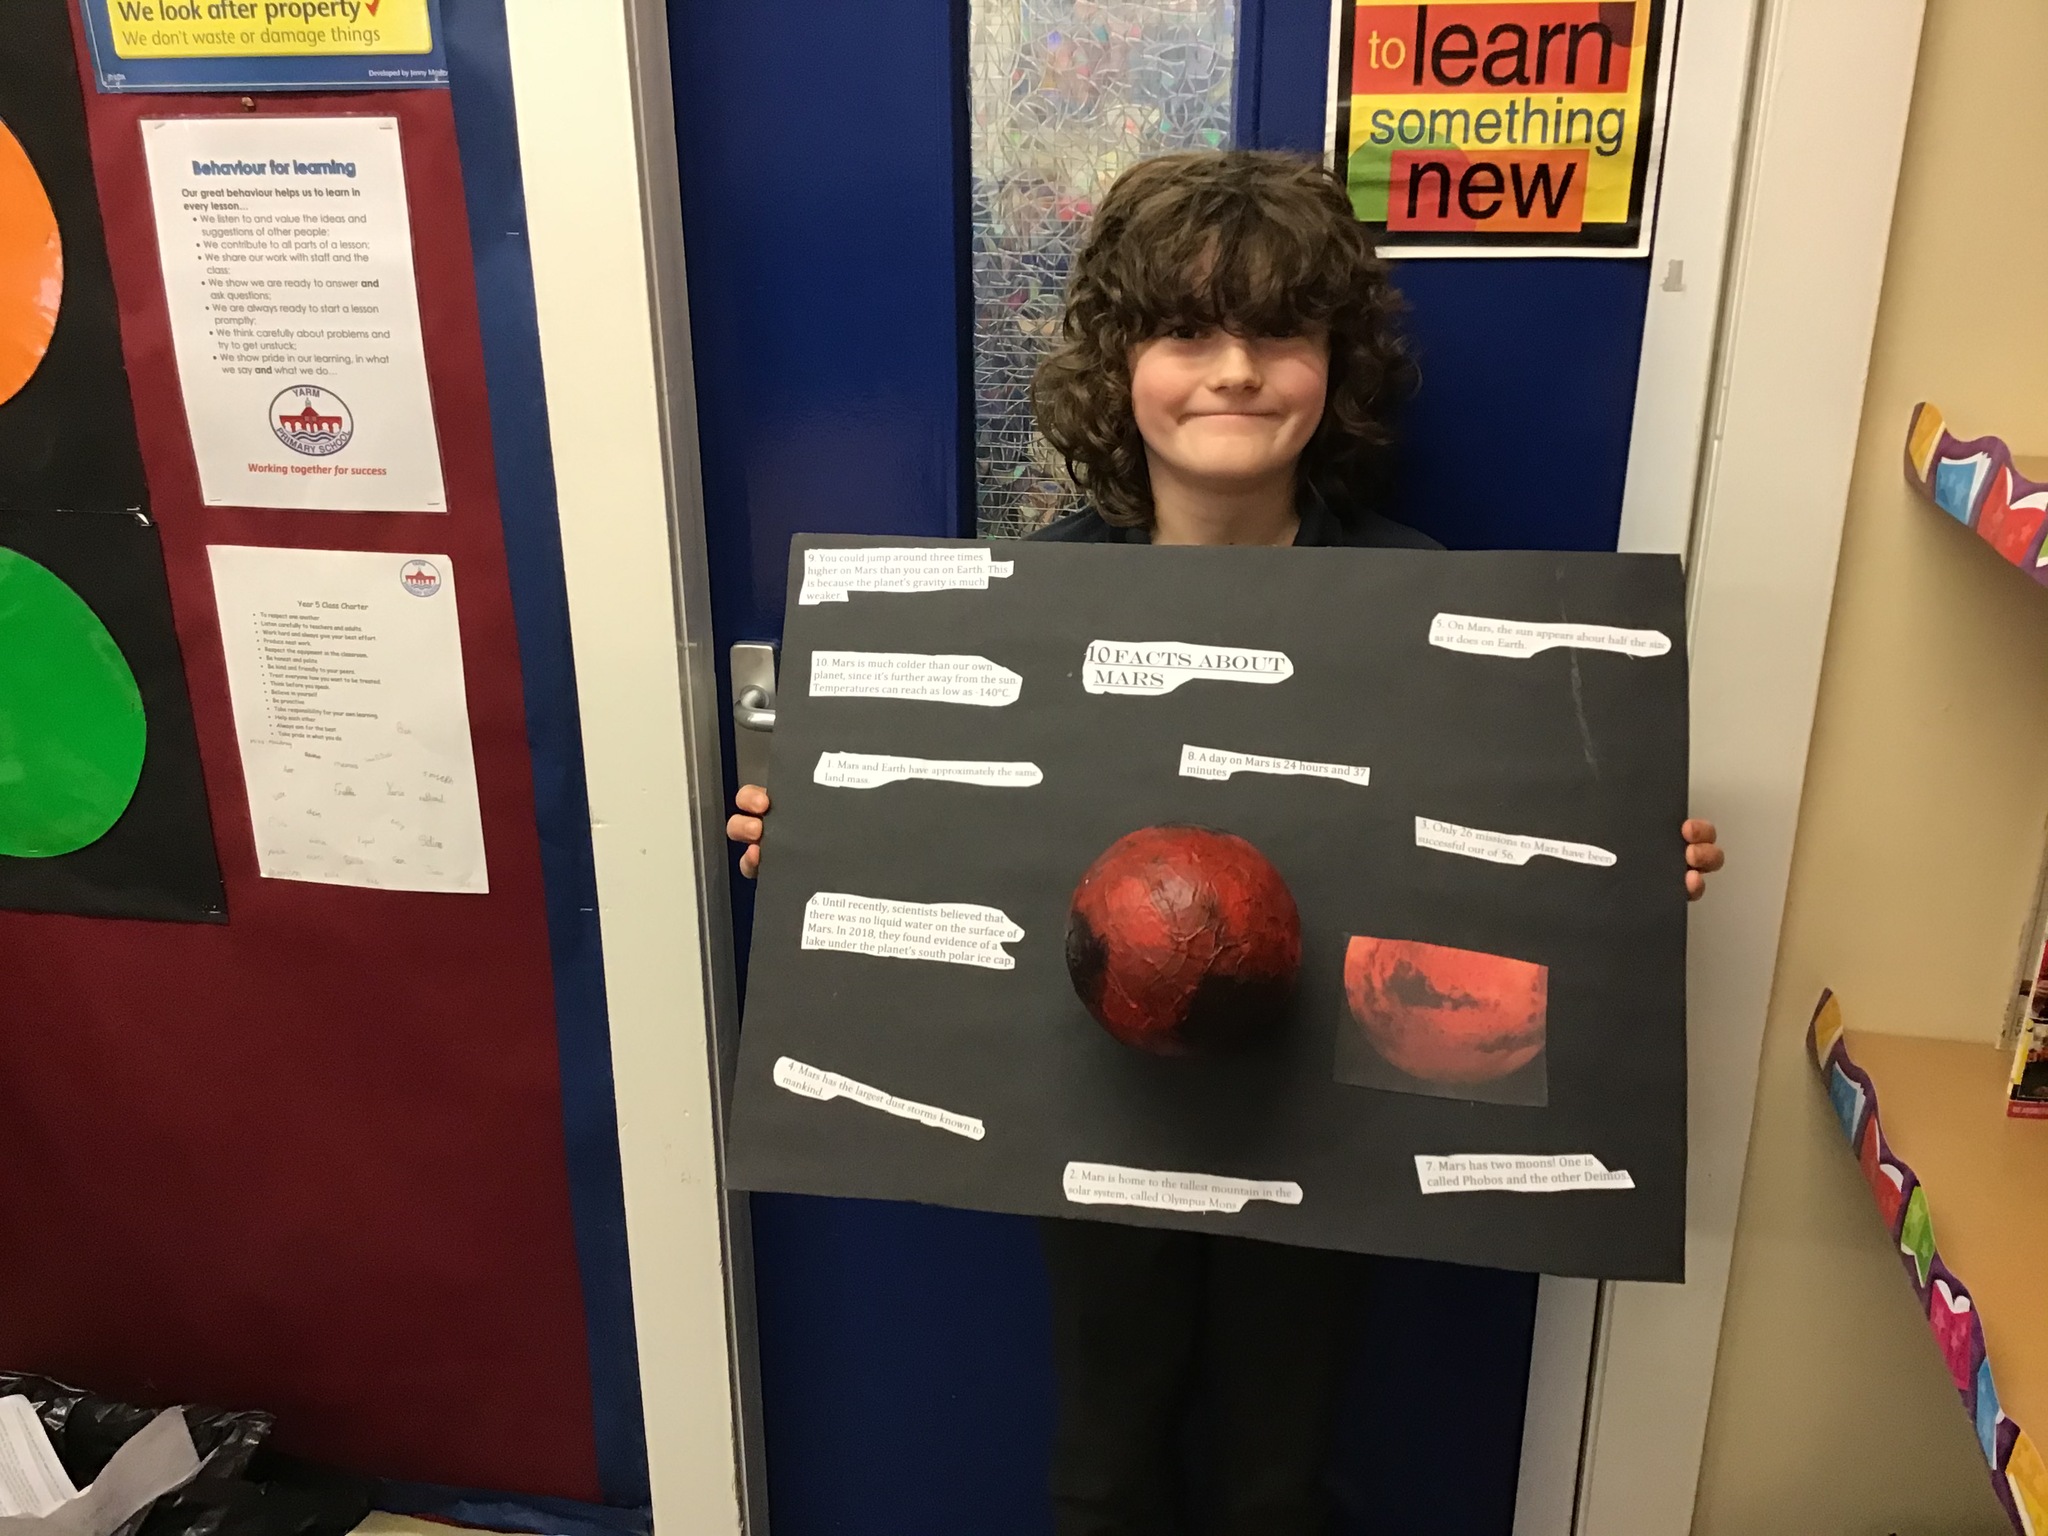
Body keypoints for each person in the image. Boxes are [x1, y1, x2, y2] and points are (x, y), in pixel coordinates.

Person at [728, 150, 1722, 1535]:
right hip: (1092, 1092)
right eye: (1188, 331)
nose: (1237, 373)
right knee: (1104, 1454)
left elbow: (1494, 873)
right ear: (1121, 365)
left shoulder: (1426, 601)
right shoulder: (1028, 598)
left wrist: (1616, 868)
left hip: (1329, 1092)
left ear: (1336, 363)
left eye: (1280, 332)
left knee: (1278, 1467)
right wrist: (831, 848)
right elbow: (959, 845)